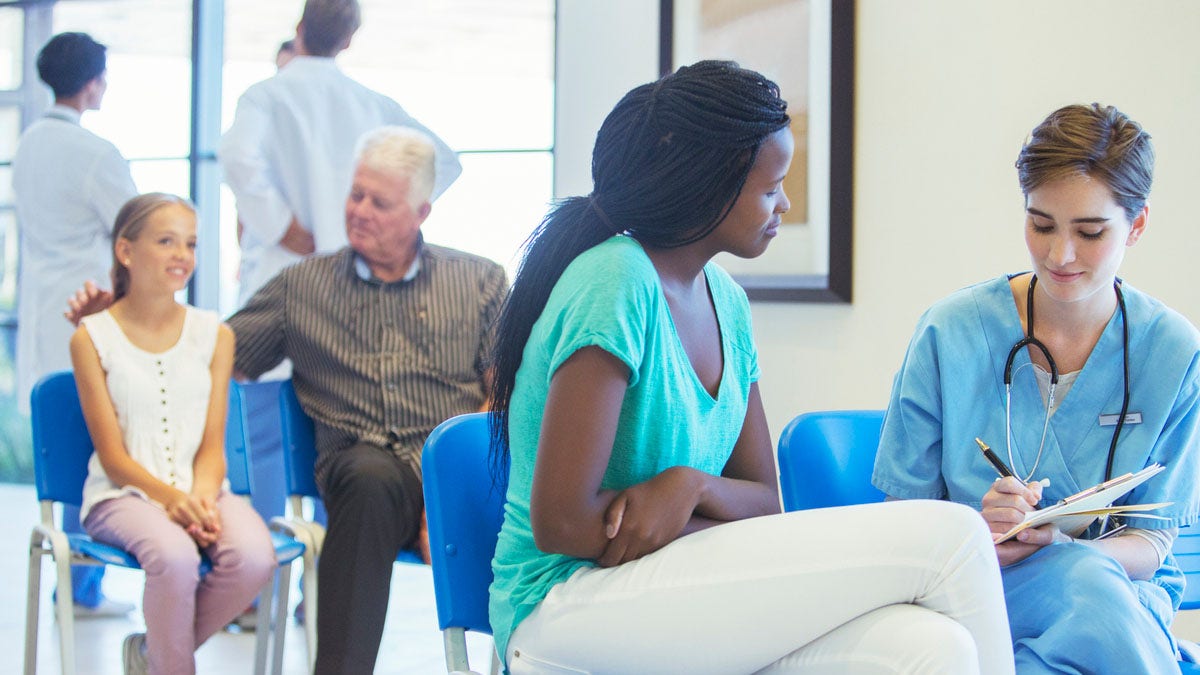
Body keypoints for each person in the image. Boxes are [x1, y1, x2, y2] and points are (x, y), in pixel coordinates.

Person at [487, 60, 1015, 675]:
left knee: (933, 647)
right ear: (709, 186)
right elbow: (561, 524)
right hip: (557, 612)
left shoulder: (728, 303)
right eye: (771, 188)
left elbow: (765, 502)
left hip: (666, 590)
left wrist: (694, 487)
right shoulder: (617, 279)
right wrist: (704, 528)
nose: (784, 203)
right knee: (955, 539)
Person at [872, 103, 1200, 673]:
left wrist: (1062, 547)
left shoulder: (1173, 352)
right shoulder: (949, 333)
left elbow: (1150, 546)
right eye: (1041, 224)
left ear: (1138, 224)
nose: (1059, 255)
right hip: (973, 593)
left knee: (1080, 599)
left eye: (1090, 232)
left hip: (1118, 591)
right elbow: (905, 526)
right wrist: (978, 527)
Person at [228, 126, 505, 673]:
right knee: (368, 476)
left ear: (421, 211)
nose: (360, 211)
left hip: (454, 478)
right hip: (361, 481)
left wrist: (441, 496)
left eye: (380, 202)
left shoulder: (480, 282)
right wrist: (120, 319)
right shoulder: (300, 288)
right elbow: (216, 355)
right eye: (356, 194)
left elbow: (503, 398)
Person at [69, 194, 276, 675]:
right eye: (166, 241)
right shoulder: (90, 337)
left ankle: (151, 656)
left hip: (203, 490)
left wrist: (201, 498)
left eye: (191, 243)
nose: (182, 255)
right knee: (175, 557)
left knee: (254, 558)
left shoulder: (216, 334)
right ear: (126, 251)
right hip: (121, 495)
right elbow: (113, 456)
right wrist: (170, 500)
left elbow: (211, 444)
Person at [12, 31, 138, 619]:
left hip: (41, 311)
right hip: (86, 314)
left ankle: (73, 582)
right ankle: (82, 585)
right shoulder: (95, 153)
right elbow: (137, 229)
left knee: (64, 444)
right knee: (95, 451)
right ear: (93, 82)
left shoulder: (28, 142)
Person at [219, 0, 462, 306]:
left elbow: (236, 157)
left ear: (299, 28)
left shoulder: (263, 96)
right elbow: (444, 162)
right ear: (348, 40)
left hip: (279, 270)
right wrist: (391, 216)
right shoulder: (372, 104)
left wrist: (280, 225)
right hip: (353, 278)